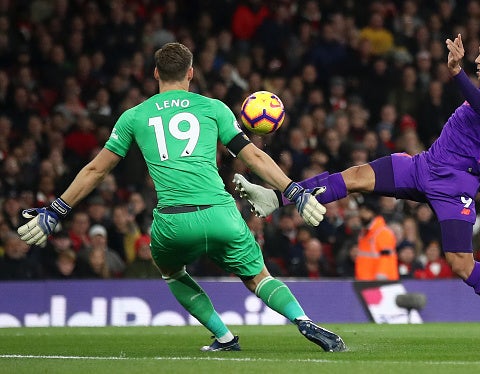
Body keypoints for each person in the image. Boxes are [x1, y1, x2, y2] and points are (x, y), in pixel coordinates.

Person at [235, 31, 480, 346]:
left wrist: (455, 71)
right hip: (423, 166)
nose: (477, 59)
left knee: (461, 265)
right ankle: (275, 197)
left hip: (455, 183)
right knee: (355, 176)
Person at [16, 42, 345, 353]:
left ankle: (224, 336)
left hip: (173, 221)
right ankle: (305, 321)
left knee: (169, 268)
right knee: (257, 276)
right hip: (221, 215)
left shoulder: (134, 116)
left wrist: (56, 210)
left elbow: (96, 171)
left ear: (156, 73)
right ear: (191, 73)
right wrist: (293, 190)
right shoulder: (213, 108)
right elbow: (254, 158)